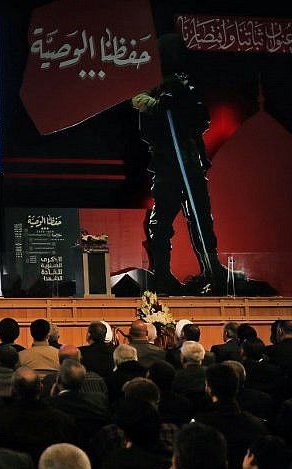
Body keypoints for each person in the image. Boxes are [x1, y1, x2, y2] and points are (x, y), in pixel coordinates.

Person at [131, 34, 226, 295]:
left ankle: (211, 269)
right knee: (161, 221)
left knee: (201, 218)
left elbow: (202, 118)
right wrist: (158, 107)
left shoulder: (187, 87)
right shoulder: (151, 89)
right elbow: (146, 129)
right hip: (166, 167)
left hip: (191, 163)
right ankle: (161, 274)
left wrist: (173, 105)